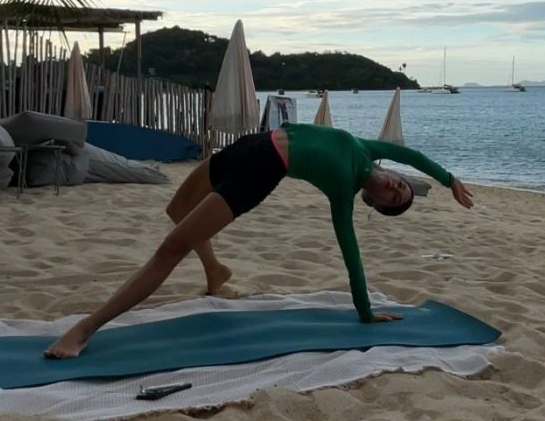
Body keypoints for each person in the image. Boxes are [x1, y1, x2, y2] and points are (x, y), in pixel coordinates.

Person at [45, 123, 474, 358]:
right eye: (399, 185)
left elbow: (352, 256)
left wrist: (365, 312)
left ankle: (85, 330)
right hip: (250, 144)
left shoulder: (344, 190)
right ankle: (215, 272)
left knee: (171, 248)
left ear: (373, 203)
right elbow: (412, 156)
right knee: (176, 210)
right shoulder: (363, 147)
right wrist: (449, 179)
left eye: (391, 198)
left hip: (261, 172)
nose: (393, 187)